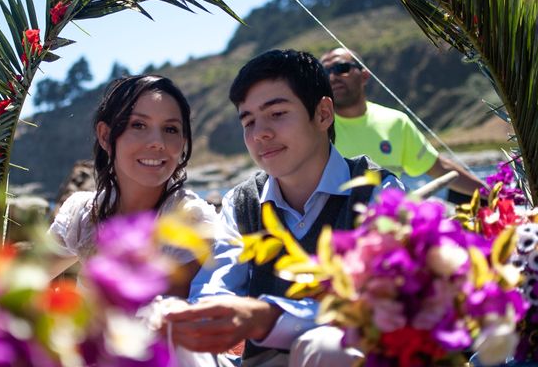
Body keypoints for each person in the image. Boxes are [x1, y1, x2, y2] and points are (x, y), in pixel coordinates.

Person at [164, 50, 402, 367]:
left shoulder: (376, 192)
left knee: (328, 346)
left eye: (276, 114)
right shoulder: (243, 202)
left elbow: (383, 308)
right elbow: (215, 285)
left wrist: (268, 317)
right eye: (248, 121)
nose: (260, 133)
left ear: (322, 114)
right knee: (171, 340)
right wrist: (206, 316)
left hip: (344, 356)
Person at [48, 75, 220, 297]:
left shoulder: (192, 224)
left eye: (170, 129)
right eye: (139, 125)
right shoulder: (83, 216)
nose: (157, 142)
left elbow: (172, 321)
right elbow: (18, 283)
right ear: (106, 135)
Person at [320, 47, 485, 198]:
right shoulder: (315, 126)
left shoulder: (396, 122)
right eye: (324, 72)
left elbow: (440, 168)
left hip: (390, 225)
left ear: (364, 75)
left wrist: (491, 194)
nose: (332, 76)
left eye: (341, 68)